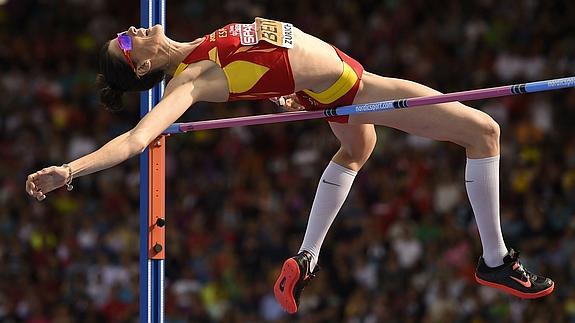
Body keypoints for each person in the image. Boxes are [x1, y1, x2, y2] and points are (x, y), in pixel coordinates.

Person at [25, 17, 554, 314]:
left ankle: (307, 256)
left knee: (356, 150)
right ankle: (495, 259)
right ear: (140, 65)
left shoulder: (195, 47)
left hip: (330, 90)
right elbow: (140, 139)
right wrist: (69, 171)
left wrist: (286, 89)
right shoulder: (188, 80)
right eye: (125, 41)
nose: (131, 29)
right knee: (485, 132)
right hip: (355, 88)